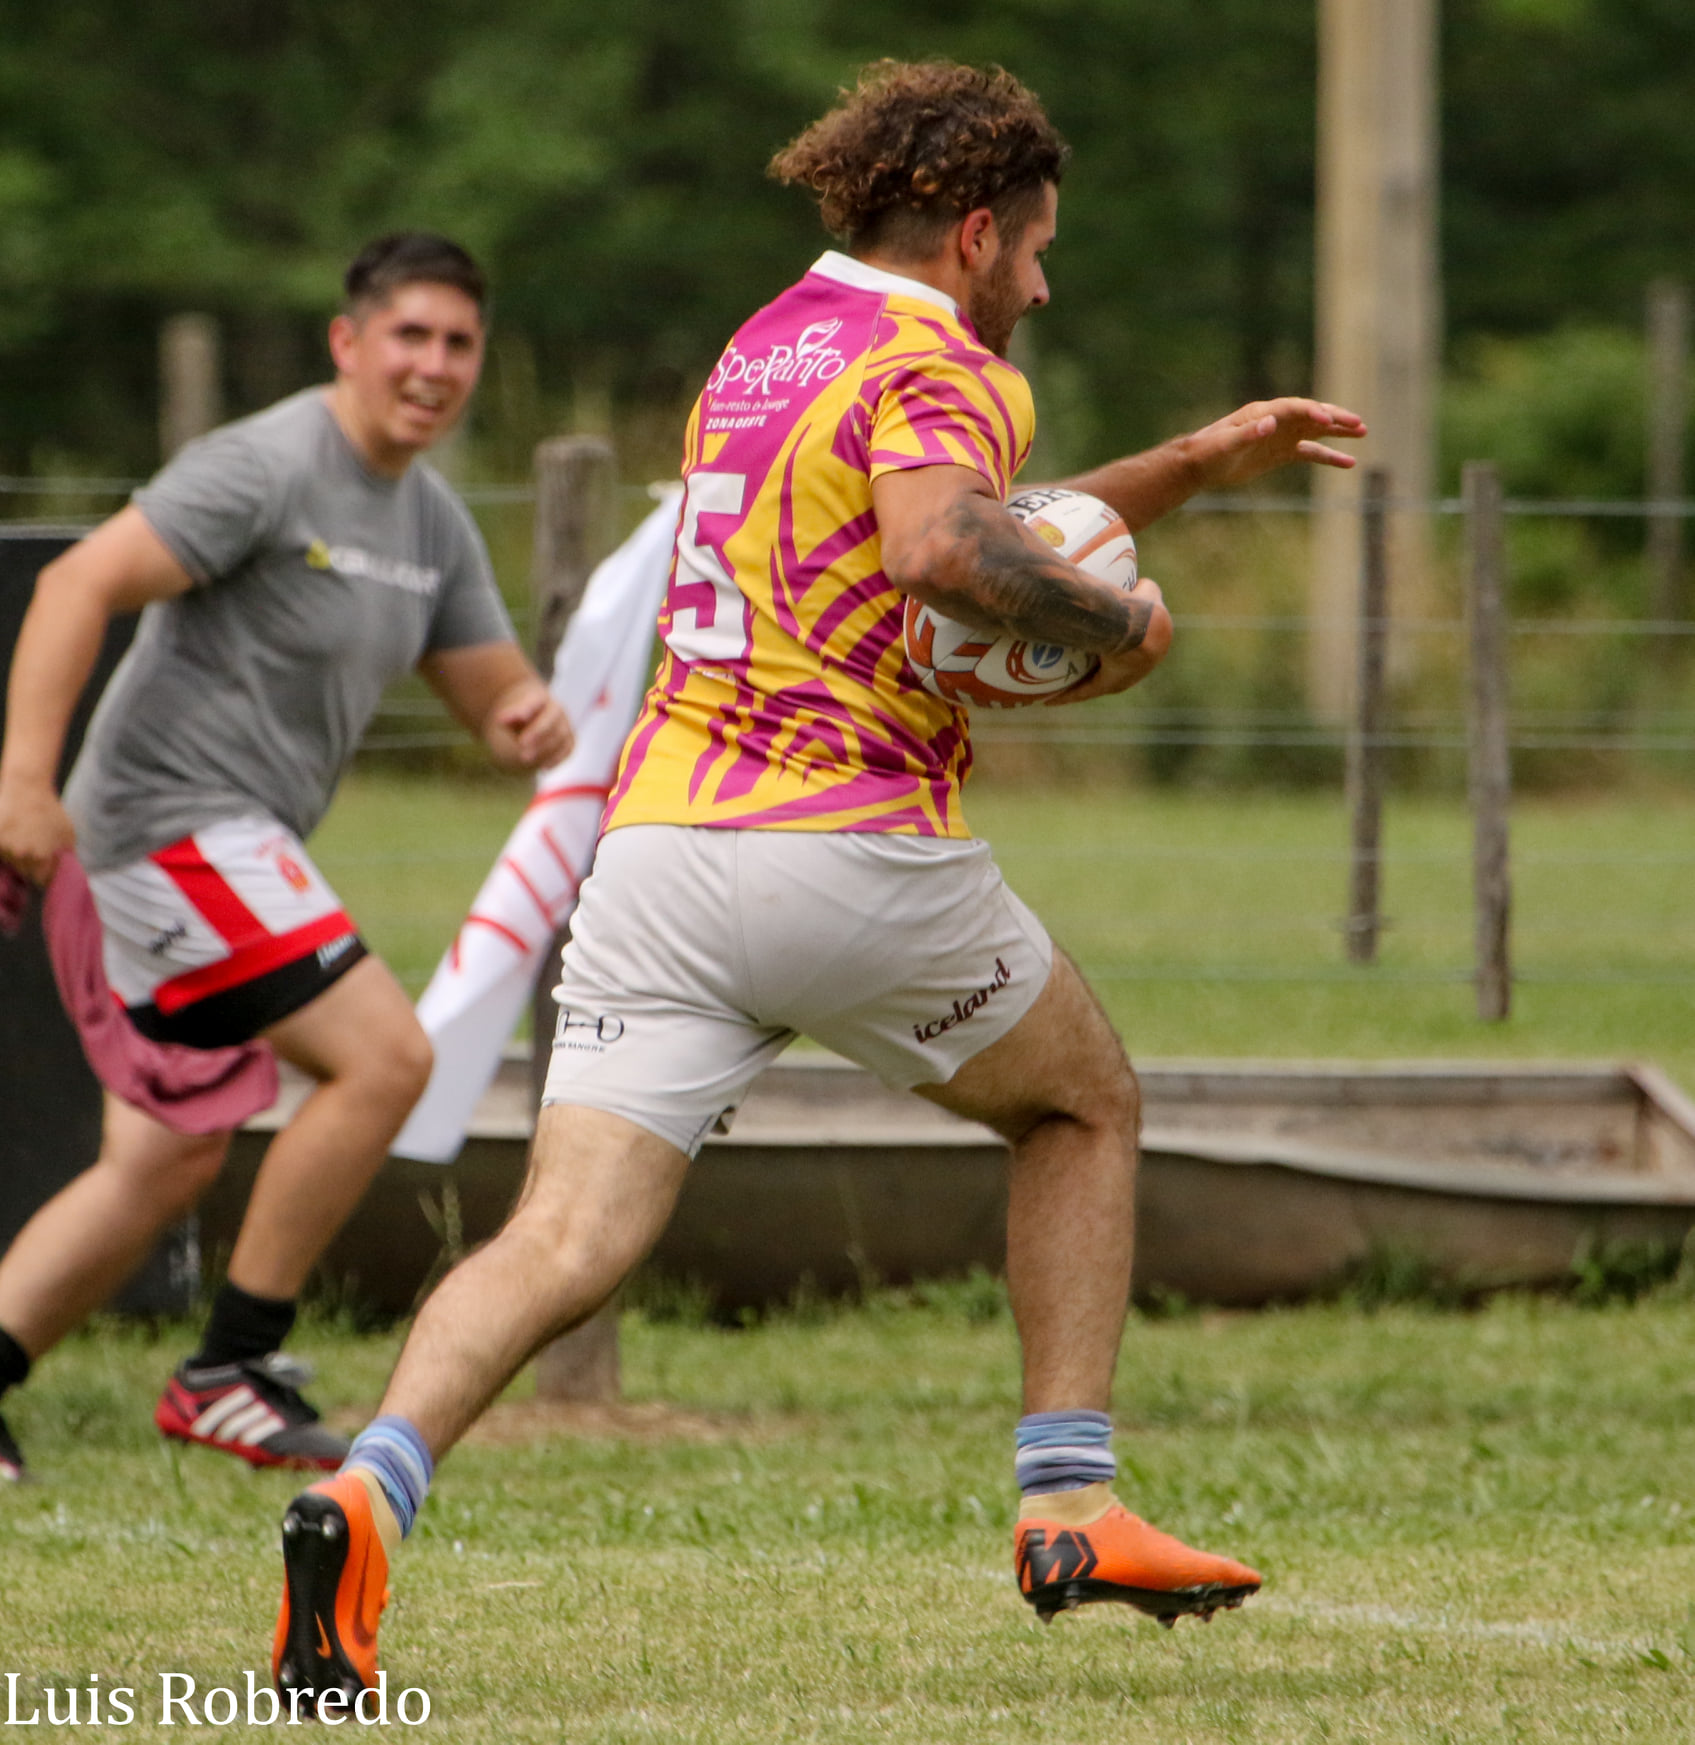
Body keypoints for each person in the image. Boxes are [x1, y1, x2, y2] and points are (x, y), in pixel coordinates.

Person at [271, 64, 1365, 1707]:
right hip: (842, 848)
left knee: (563, 1232)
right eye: (1041, 253)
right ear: (978, 234)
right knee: (1082, 1107)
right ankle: (1069, 1499)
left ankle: (365, 1490)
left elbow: (967, 524)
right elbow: (946, 548)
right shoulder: (947, 359)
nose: (1045, 288)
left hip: (656, 852)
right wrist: (1116, 630)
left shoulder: (769, 344)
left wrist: (1193, 468)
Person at [0, 232, 573, 1485]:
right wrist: (23, 785)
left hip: (230, 845)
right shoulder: (262, 464)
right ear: (349, 342)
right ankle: (230, 1371)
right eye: (409, 335)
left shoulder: (429, 520)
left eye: (458, 342)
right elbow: (73, 588)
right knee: (388, 1055)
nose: (432, 364)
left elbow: (494, 698)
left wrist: (528, 718)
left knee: (162, 1158)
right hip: (162, 822)